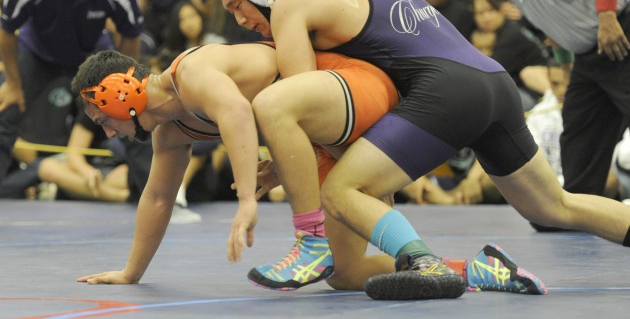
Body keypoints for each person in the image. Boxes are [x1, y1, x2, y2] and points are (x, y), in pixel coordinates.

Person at [218, 0, 630, 301]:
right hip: (491, 83)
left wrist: (288, 161)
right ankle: (475, 269)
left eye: (237, 5)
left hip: (446, 90)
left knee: (342, 191)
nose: (240, 22)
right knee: (554, 206)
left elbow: (299, 99)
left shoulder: (291, 1)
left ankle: (422, 263)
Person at [71, 45, 546, 296]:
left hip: (353, 95)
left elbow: (237, 112)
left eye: (101, 120)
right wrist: (131, 273)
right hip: (326, 133)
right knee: (345, 271)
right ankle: (479, 270)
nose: (108, 134)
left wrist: (246, 202)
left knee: (342, 201)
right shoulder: (170, 131)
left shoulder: (192, 72)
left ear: (118, 93)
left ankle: (313, 237)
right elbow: (157, 199)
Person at [457, 0, 630, 197]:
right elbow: (553, 24)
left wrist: (608, 15)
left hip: (620, 28)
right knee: (579, 128)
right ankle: (579, 207)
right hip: (588, 53)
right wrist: (564, 67)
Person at [0, 0, 142, 183]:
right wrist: (13, 83)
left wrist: (124, 82)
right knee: (6, 107)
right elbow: (7, 31)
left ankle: (148, 188)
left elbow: (132, 36)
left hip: (91, 57)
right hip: (37, 53)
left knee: (132, 108)